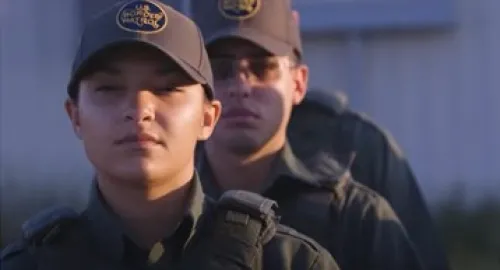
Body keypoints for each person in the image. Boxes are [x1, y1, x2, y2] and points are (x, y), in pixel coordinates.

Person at [0, 1, 340, 269]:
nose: (139, 109)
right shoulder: (30, 264)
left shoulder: (287, 262)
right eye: (109, 88)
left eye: (166, 89)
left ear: (209, 117)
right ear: (75, 117)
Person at [190, 0, 439, 269]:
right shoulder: (160, 208)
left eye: (262, 69)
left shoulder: (356, 215)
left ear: (298, 84)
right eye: (219, 70)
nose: (241, 87)